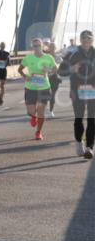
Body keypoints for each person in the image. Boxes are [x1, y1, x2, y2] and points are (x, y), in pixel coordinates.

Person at [17, 37, 58, 141]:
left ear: (42, 46)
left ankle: (38, 132)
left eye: (38, 45)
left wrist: (47, 70)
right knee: (30, 112)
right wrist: (25, 76)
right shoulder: (28, 58)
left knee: (41, 111)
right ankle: (33, 116)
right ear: (32, 47)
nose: (37, 47)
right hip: (30, 87)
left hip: (44, 87)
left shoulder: (48, 57)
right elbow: (20, 69)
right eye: (35, 46)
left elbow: (55, 70)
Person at [67, 30, 95, 158]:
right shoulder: (73, 54)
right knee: (79, 118)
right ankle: (79, 142)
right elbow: (61, 70)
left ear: (92, 40)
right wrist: (71, 69)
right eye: (84, 40)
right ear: (80, 40)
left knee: (92, 119)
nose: (86, 42)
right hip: (77, 90)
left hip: (93, 90)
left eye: (88, 40)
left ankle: (89, 147)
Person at [44, 40, 62, 117]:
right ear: (48, 48)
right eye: (50, 47)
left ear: (55, 48)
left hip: (55, 78)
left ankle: (51, 111)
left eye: (53, 47)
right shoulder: (45, 57)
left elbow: (58, 68)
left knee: (52, 95)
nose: (52, 48)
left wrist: (53, 69)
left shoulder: (59, 58)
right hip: (46, 78)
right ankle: (45, 109)